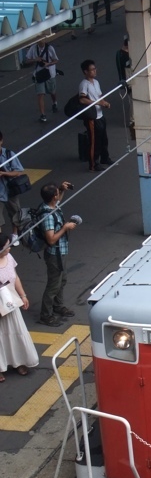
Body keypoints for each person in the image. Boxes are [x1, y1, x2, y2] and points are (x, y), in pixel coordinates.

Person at [38, 181, 77, 328]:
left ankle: (58, 306)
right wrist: (65, 228)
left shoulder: (49, 206)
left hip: (61, 251)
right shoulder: (48, 216)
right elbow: (51, 239)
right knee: (54, 284)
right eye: (56, 193)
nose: (58, 195)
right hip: (55, 254)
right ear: (53, 197)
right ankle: (46, 315)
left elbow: (57, 201)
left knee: (62, 279)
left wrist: (61, 190)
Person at [0, 233, 38, 379]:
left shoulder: (9, 258)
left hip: (10, 302)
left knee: (17, 333)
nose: (9, 248)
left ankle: (19, 362)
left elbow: (15, 278)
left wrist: (23, 295)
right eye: (6, 246)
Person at [79, 60, 114, 172]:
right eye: (92, 69)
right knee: (95, 141)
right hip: (92, 117)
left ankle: (105, 158)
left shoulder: (96, 82)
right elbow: (83, 99)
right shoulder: (84, 85)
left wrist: (104, 103)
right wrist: (98, 103)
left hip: (100, 115)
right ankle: (93, 164)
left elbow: (99, 97)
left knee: (104, 139)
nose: (95, 71)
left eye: (95, 69)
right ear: (85, 72)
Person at [0, 132, 28, 245]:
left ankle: (15, 234)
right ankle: (1, 239)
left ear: (1, 141)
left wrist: (3, 173)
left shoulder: (8, 154)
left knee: (15, 213)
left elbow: (18, 171)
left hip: (10, 189)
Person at [26, 37, 60, 123]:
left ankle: (54, 102)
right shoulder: (33, 48)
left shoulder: (50, 48)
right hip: (39, 74)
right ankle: (43, 114)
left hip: (50, 74)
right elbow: (27, 60)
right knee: (40, 94)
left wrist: (48, 63)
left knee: (52, 91)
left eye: (42, 40)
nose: (41, 41)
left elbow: (56, 60)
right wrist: (35, 59)